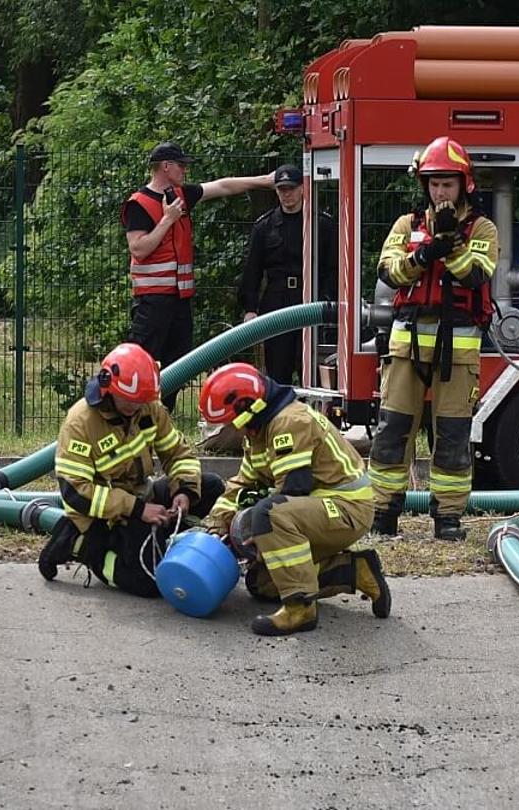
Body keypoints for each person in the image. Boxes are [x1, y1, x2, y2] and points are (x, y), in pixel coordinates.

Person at [367, 137, 499, 541]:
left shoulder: (482, 228)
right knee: (393, 430)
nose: (441, 192)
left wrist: (450, 249)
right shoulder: (407, 226)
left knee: (453, 435)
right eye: (434, 184)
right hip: (406, 346)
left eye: (448, 184)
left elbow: (477, 273)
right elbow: (388, 272)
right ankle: (383, 512)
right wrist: (423, 255)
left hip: (456, 352)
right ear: (425, 186)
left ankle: (448, 517)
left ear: (464, 185)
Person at [199, 363, 387, 636]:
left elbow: (293, 489)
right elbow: (241, 483)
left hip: (346, 508)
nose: (228, 428)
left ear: (246, 409)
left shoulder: (289, 422)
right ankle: (354, 571)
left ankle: (300, 609)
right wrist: (216, 526)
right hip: (317, 509)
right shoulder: (258, 432)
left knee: (267, 515)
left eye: (230, 421)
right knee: (262, 582)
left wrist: (256, 532)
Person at [37, 343, 223, 592]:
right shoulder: (80, 423)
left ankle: (152, 542)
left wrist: (184, 492)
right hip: (101, 515)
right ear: (107, 388)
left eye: (142, 401)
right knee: (150, 583)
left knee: (210, 486)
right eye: (130, 400)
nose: (136, 407)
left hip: (140, 498)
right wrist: (137, 509)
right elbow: (76, 492)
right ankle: (85, 549)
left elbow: (178, 454)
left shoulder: (149, 408)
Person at [122, 142, 277, 405]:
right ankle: (135, 416)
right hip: (152, 302)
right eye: (181, 165)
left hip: (180, 300)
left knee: (178, 364)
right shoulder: (139, 204)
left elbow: (223, 186)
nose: (185, 170)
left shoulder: (182, 195)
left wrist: (266, 181)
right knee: (143, 363)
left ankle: (164, 417)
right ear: (165, 166)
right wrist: (167, 219)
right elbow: (139, 248)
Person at [238, 163, 336, 385]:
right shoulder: (265, 226)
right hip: (277, 301)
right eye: (282, 189)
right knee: (276, 371)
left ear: (303, 189)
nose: (287, 194)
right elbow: (252, 270)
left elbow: (333, 269)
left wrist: (329, 302)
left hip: (311, 299)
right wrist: (250, 309)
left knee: (311, 371)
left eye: (291, 188)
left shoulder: (321, 224)